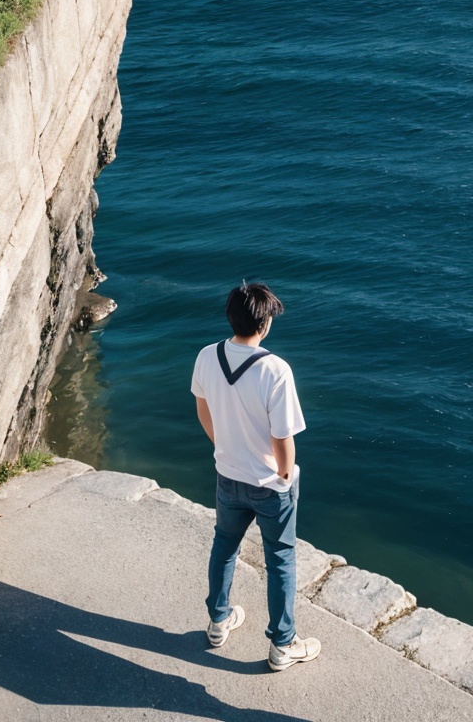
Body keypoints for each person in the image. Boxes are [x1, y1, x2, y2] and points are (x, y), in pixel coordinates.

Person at [191, 279, 322, 672]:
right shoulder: (275, 370)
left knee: (225, 545)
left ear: (230, 317)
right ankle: (282, 644)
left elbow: (202, 408)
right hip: (269, 484)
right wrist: (284, 476)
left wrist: (222, 447)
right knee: (280, 559)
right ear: (264, 325)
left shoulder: (206, 355)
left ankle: (218, 621)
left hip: (227, 475)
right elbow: (283, 438)